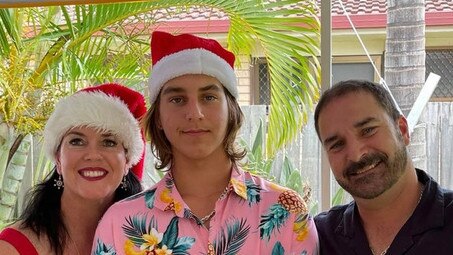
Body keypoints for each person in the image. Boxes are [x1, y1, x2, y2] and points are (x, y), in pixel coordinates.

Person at [91, 31, 319, 255]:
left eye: (209, 97)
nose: (195, 113)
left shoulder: (286, 211)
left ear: (231, 110)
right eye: (177, 99)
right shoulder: (120, 224)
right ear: (158, 117)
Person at [0, 83, 147, 255]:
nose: (93, 155)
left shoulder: (154, 240)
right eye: (77, 141)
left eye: (109, 142)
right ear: (58, 160)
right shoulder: (12, 248)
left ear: (127, 162)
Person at [313, 79, 453, 255]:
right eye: (337, 144)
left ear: (402, 130)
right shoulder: (319, 238)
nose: (356, 155)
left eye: (368, 130)